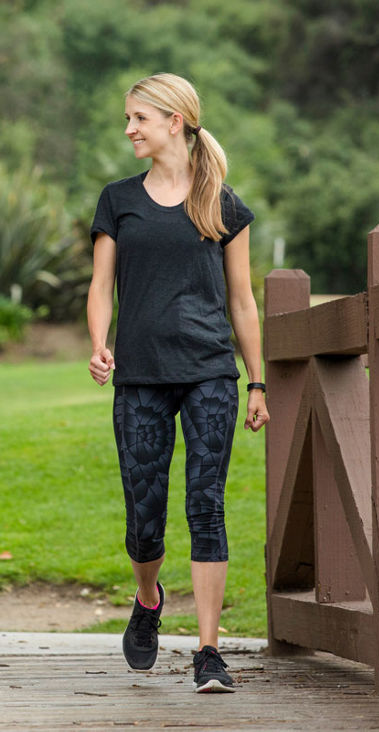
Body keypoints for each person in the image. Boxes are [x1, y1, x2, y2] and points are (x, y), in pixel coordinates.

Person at [86, 72, 268, 693]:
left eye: (139, 117)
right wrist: (98, 344)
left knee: (206, 506)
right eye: (129, 118)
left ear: (175, 122)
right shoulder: (118, 199)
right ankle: (149, 597)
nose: (129, 128)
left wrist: (257, 382)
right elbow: (100, 287)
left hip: (210, 374)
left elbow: (242, 302)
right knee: (144, 519)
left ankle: (209, 651)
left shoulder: (223, 203)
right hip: (138, 377)